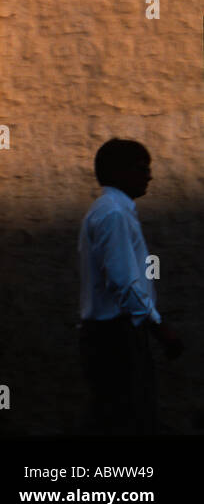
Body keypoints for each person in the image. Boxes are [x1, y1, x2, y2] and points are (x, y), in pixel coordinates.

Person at [77, 138, 182, 434]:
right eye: (141, 168)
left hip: (113, 333)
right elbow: (123, 282)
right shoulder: (113, 214)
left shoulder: (112, 210)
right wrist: (158, 326)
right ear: (118, 172)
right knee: (126, 420)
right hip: (115, 335)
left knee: (117, 417)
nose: (149, 175)